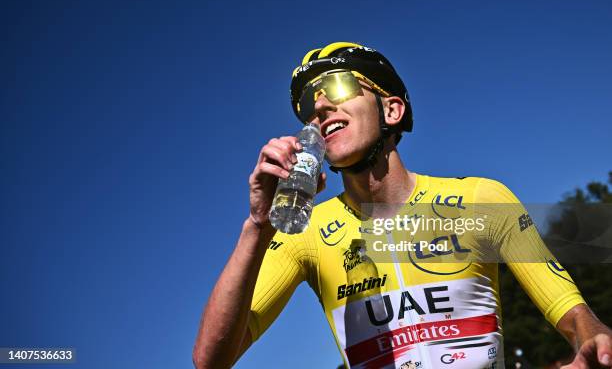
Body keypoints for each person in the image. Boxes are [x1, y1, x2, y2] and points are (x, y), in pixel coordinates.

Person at [193, 42, 612, 368]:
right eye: (308, 104)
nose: (319, 107)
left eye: (339, 86)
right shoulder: (306, 232)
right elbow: (211, 360)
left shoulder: (482, 199)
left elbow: (572, 313)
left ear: (391, 109)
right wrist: (258, 227)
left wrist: (594, 340)